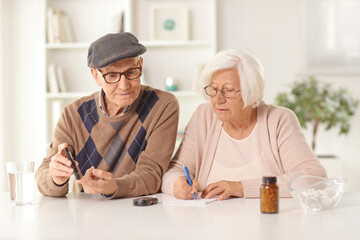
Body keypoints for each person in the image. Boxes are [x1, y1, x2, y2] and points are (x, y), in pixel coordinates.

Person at [161, 49, 327, 200]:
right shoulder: (203, 116)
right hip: (211, 227)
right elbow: (174, 171)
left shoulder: (279, 120)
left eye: (229, 90)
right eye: (214, 89)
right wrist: (177, 184)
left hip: (269, 223)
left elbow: (315, 178)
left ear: (251, 93)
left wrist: (241, 188)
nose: (218, 99)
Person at [36, 32, 179, 199]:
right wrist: (56, 179)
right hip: (87, 214)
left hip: (140, 212)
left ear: (140, 64)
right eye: (112, 76)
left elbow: (152, 175)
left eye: (132, 72)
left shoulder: (162, 105)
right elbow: (44, 172)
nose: (124, 86)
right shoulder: (73, 114)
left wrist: (115, 187)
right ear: (96, 76)